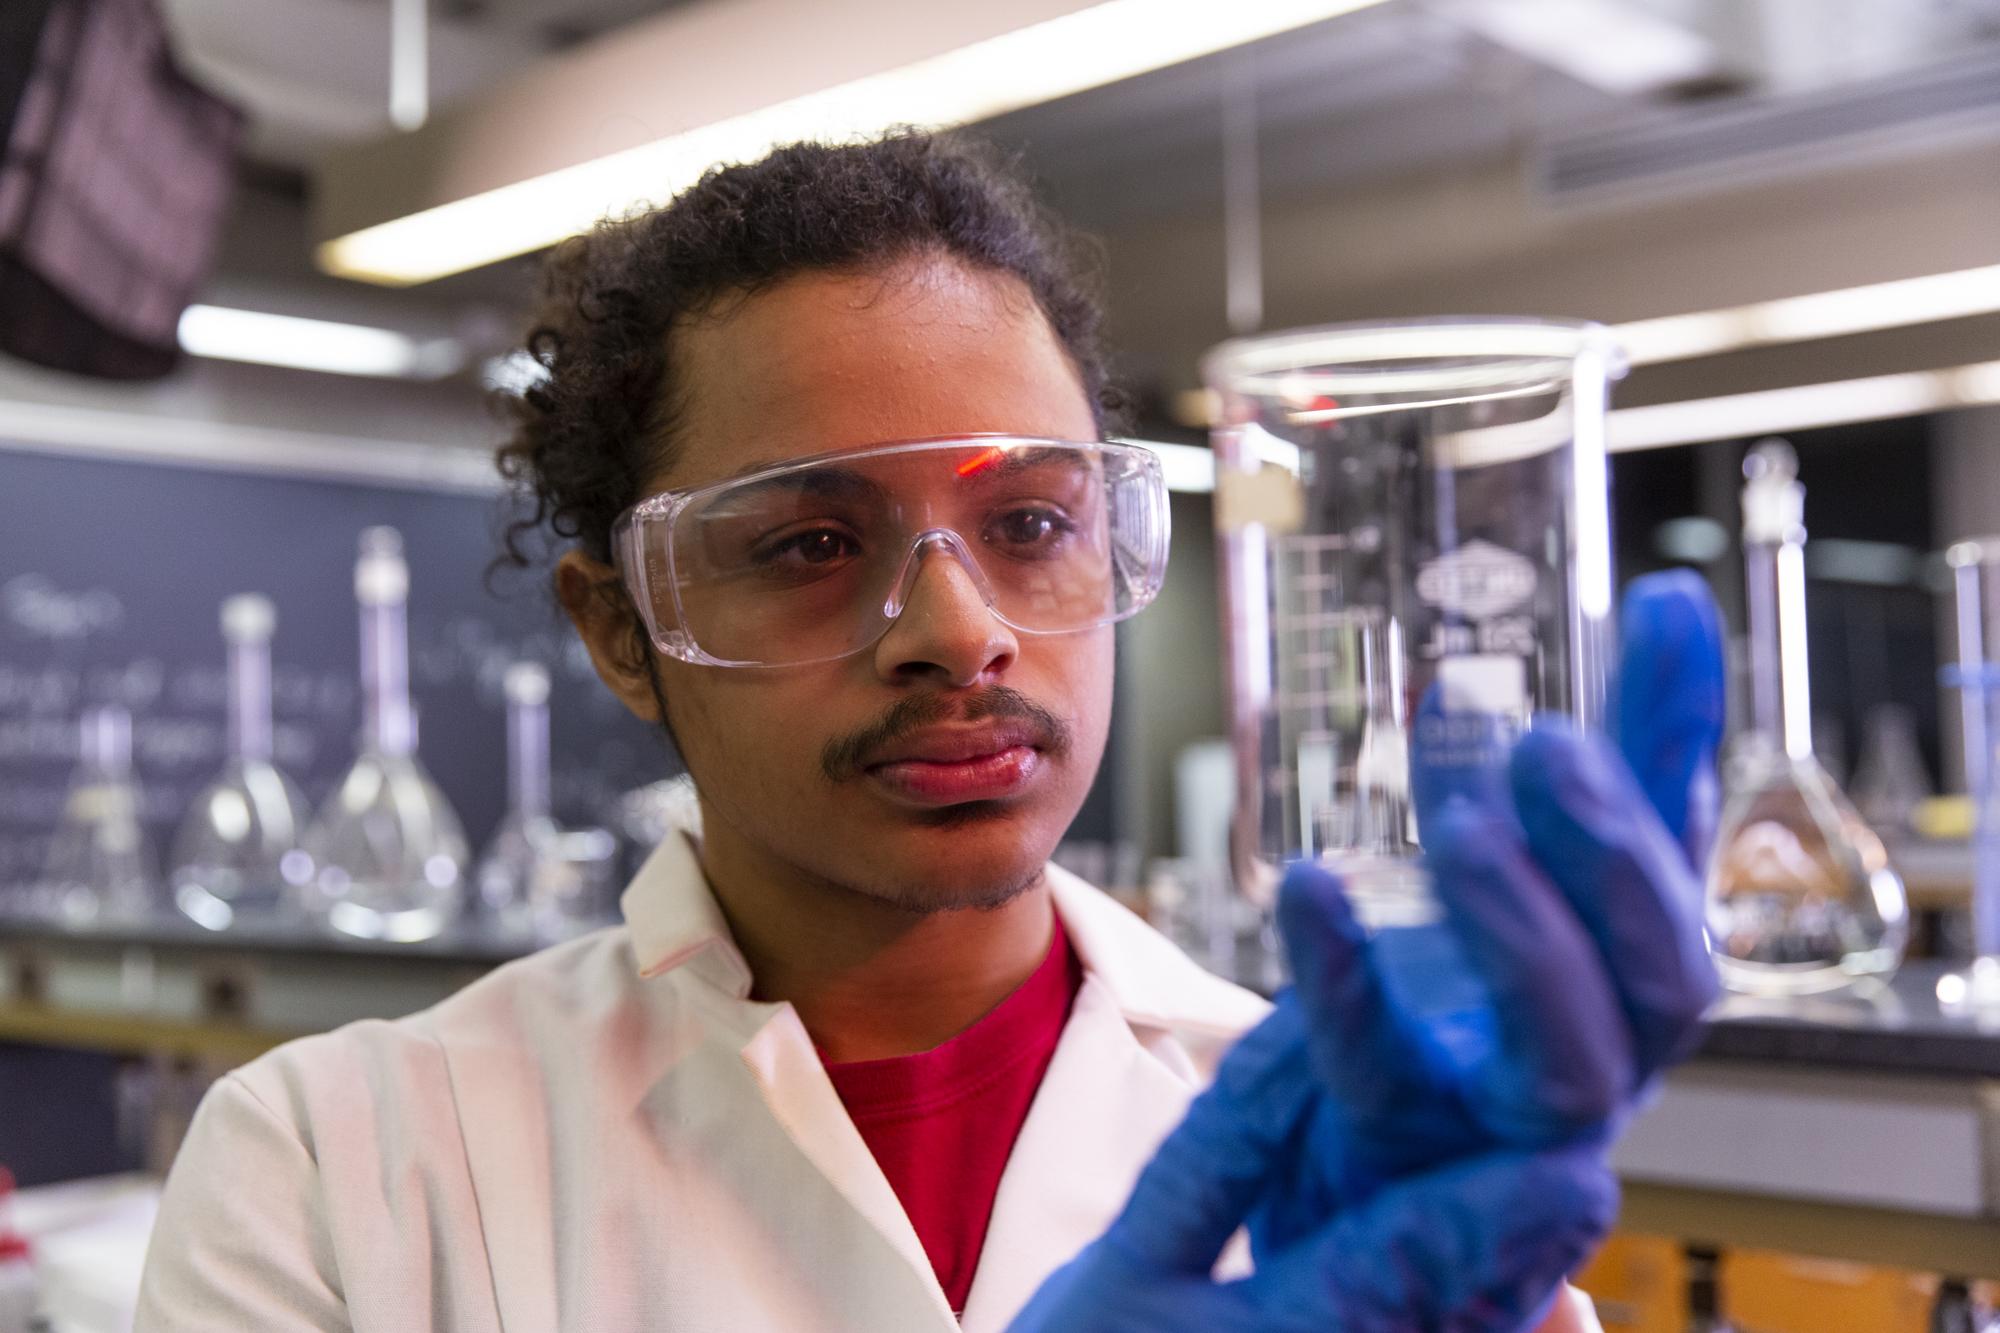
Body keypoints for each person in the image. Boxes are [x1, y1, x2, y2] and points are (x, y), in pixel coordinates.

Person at [134, 133, 1722, 1332]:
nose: (963, 630)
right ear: (622, 628)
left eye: (1033, 518)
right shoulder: (338, 1167)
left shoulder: (1346, 1140)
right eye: (814, 544)